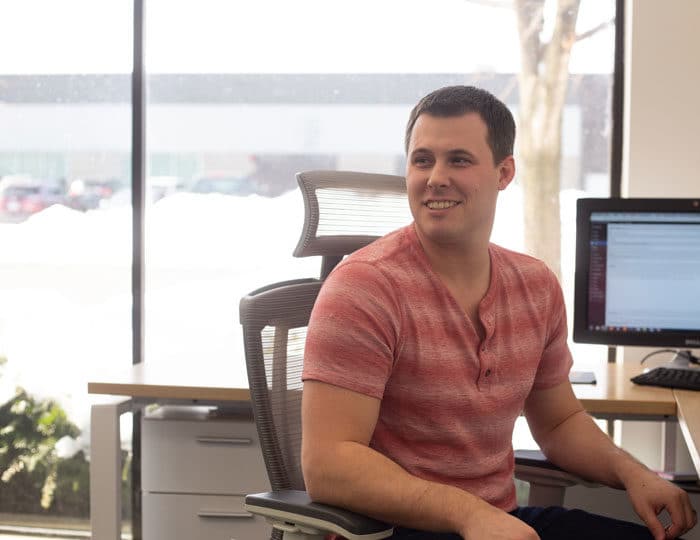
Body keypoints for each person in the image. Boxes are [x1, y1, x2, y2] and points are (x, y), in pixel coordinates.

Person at [300, 85, 697, 540]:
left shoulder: (535, 285)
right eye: (422, 159)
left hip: (499, 522)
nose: (435, 177)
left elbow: (559, 421)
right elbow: (328, 464)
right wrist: (470, 515)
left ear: (504, 172)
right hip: (392, 530)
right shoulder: (364, 288)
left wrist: (635, 475)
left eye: (459, 160)